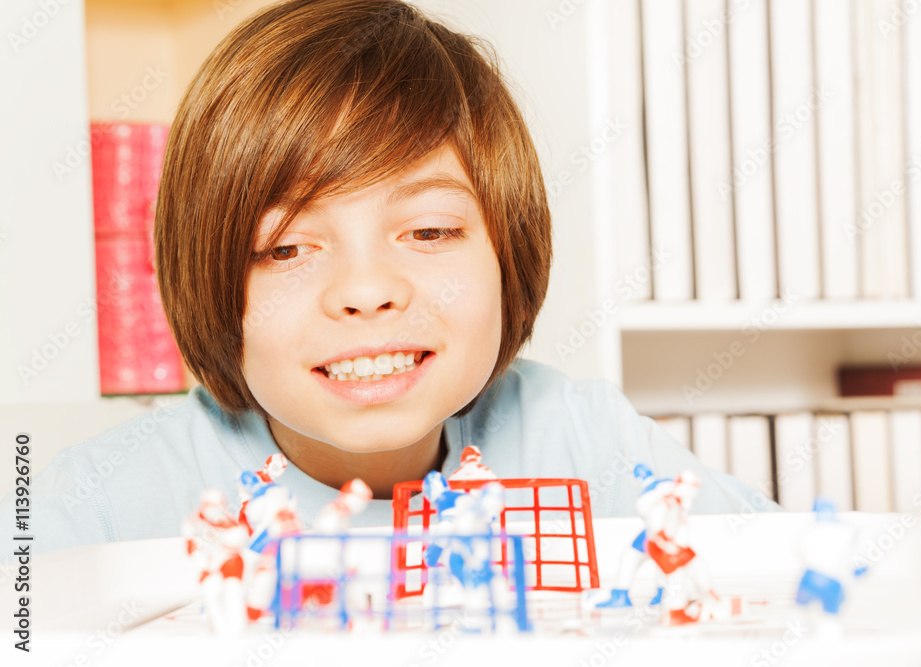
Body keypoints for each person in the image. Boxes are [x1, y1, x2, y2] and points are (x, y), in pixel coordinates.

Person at [0, 0, 775, 556]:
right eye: (286, 248)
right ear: (207, 283)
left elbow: (794, 568)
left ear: (512, 252)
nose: (366, 290)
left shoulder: (579, 437)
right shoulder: (97, 506)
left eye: (429, 231)